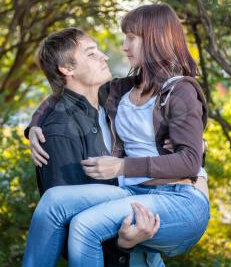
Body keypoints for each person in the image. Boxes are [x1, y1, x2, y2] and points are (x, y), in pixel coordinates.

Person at [23, 4, 210, 267]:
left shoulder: (180, 91)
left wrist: (122, 165)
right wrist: (34, 125)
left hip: (177, 198)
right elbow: (63, 95)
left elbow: (191, 161)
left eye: (131, 38)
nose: (123, 46)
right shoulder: (123, 89)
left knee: (84, 227)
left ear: (155, 38)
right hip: (134, 193)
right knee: (53, 201)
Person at [24, 27, 160, 267]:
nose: (104, 56)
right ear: (67, 69)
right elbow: (67, 223)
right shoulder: (59, 130)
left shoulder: (113, 100)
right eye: (91, 53)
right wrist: (123, 243)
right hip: (116, 258)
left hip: (149, 257)